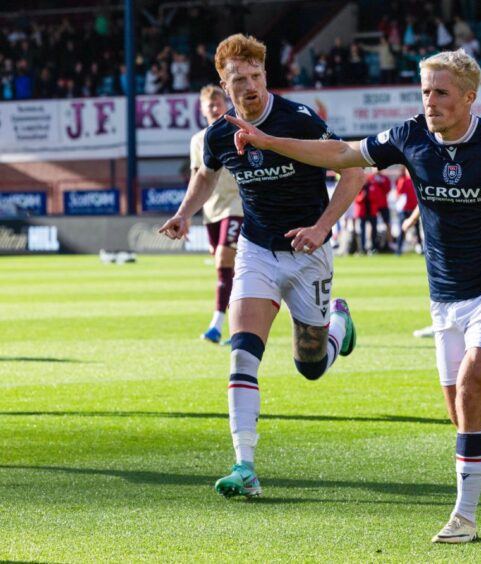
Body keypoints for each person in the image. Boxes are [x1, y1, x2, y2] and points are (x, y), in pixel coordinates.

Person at [223, 49, 481, 544]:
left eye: (440, 93)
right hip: (445, 298)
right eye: (425, 91)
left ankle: (463, 516)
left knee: (470, 388)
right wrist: (269, 142)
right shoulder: (408, 136)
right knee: (469, 412)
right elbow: (342, 154)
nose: (430, 102)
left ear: (468, 97)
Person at [158, 34, 365, 498]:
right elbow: (206, 175)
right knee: (242, 351)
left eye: (255, 76)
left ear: (265, 75)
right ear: (224, 84)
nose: (249, 86)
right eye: (239, 79)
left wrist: (322, 226)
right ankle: (244, 465)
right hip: (257, 252)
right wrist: (183, 213)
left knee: (310, 366)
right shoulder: (217, 135)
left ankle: (339, 326)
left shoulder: (299, 119)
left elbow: (353, 171)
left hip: (310, 253)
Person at [190, 85, 244, 344]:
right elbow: (196, 177)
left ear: (225, 105)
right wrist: (186, 214)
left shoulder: (236, 130)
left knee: (224, 259)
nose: (214, 108)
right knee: (226, 269)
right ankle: (240, 326)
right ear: (202, 110)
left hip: (236, 205)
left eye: (218, 103)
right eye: (209, 105)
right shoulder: (197, 140)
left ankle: (217, 325)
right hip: (211, 210)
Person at [395, 166, 421, 255]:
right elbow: (398, 195)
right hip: (405, 210)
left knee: (417, 230)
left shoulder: (416, 181)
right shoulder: (403, 181)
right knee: (402, 229)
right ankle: (398, 249)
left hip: (414, 210)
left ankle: (421, 249)